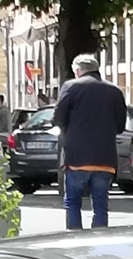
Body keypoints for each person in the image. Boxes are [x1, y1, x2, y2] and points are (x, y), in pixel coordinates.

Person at [54, 53, 128, 232]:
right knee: (101, 205)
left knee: (72, 203)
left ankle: (74, 238)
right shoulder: (114, 91)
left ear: (78, 71)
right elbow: (120, 126)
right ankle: (99, 238)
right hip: (105, 159)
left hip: (76, 159)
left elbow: (57, 119)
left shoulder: (70, 87)